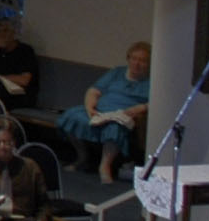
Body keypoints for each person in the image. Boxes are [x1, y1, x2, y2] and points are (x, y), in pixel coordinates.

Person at [58, 40, 154, 176]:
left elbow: (158, 101)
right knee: (71, 116)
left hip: (124, 114)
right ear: (128, 59)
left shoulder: (153, 80)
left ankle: (105, 166)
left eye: (142, 61)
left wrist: (142, 107)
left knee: (114, 128)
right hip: (99, 110)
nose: (137, 64)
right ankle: (82, 158)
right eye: (134, 59)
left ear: (149, 63)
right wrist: (89, 108)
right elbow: (94, 91)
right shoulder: (117, 72)